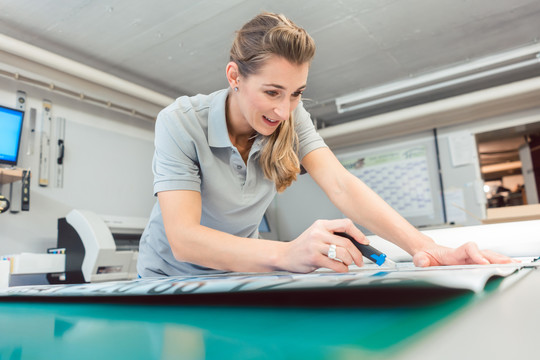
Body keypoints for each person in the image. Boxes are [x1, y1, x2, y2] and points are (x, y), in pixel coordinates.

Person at [137, 12, 514, 277]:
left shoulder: (290, 116)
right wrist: (288, 252)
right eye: (272, 92)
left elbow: (342, 185)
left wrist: (425, 247)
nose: (284, 110)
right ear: (235, 76)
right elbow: (184, 239)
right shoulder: (181, 121)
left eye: (296, 93)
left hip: (239, 270)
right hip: (168, 278)